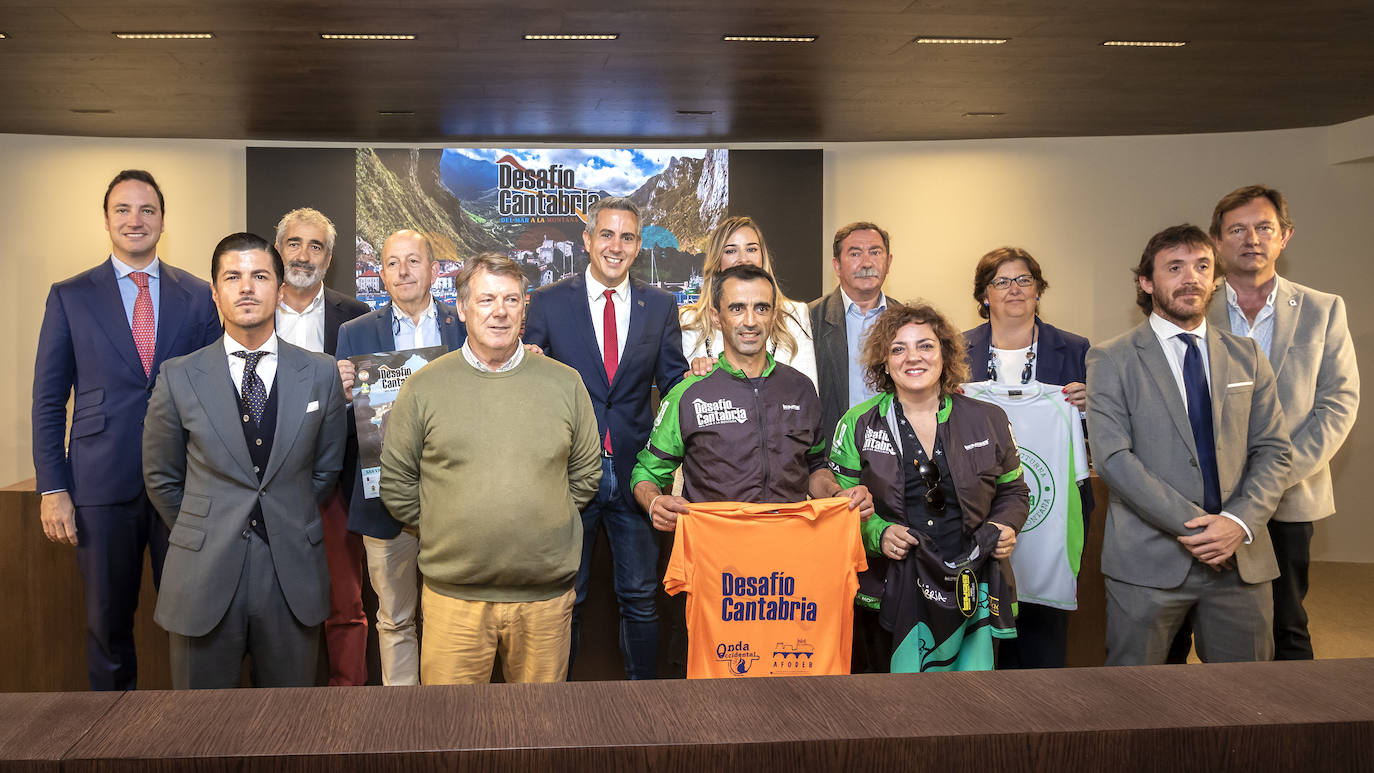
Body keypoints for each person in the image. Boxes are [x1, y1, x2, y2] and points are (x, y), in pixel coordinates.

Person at [32, 169, 221, 690]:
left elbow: (213, 393)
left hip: (184, 486)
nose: (135, 220)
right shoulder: (70, 296)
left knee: (193, 621)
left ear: (163, 221)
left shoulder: (199, 295)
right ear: (108, 219)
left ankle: (195, 734)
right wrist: (53, 488)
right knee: (106, 626)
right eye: (123, 209)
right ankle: (111, 740)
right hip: (99, 487)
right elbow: (48, 400)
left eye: (147, 210)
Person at [380, 253, 602, 684]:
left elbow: (585, 474)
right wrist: (447, 527)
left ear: (524, 309)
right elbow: (398, 481)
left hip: (544, 600)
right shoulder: (424, 386)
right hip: (454, 601)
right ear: (462, 308)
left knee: (540, 735)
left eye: (511, 300)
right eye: (486, 300)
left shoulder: (564, 382)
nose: (499, 311)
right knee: (451, 737)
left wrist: (541, 516)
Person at [143, 232, 347, 688]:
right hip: (204, 573)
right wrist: (206, 527)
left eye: (259, 276)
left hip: (290, 570)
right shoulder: (179, 377)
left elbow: (325, 469)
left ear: (279, 288)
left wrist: (283, 515)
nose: (247, 288)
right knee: (199, 734)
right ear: (215, 292)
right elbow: (161, 477)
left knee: (291, 730)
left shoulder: (320, 374)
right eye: (233, 277)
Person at [1086, 224, 1291, 665]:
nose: (1190, 278)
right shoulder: (1111, 358)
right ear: (1146, 281)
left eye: (1202, 266)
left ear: (1215, 278)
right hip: (1148, 564)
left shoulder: (1248, 356)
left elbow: (1274, 450)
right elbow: (1114, 458)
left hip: (1242, 559)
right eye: (1174, 268)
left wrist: (1236, 523)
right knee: (1135, 703)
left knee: (1248, 705)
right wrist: (1201, 529)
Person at [524, 196, 689, 680]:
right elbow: (532, 378)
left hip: (638, 474)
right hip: (569, 475)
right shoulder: (551, 302)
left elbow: (674, 382)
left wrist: (703, 377)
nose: (616, 246)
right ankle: (560, 706)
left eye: (628, 237)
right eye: (607, 235)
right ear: (588, 241)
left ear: (638, 246)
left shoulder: (660, 306)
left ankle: (646, 702)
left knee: (640, 597)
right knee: (566, 599)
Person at [829, 301, 1027, 672]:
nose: (912, 358)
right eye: (898, 349)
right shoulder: (857, 423)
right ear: (884, 362)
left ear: (945, 354)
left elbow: (1014, 492)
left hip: (974, 588)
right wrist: (879, 533)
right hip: (887, 591)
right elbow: (838, 508)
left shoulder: (989, 419)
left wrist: (1006, 526)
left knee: (970, 708)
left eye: (925, 345)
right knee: (892, 710)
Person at [1205, 185, 1358, 660]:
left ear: (1284, 237)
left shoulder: (1323, 309)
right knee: (1192, 622)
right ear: (1216, 240)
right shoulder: (1192, 306)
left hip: (1290, 496)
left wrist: (1271, 479)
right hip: (1208, 498)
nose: (1252, 238)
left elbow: (1338, 404)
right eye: (1237, 229)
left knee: (1288, 623)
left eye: (1264, 227)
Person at [631, 264, 872, 528]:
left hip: (788, 552)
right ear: (715, 316)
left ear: (773, 314)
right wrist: (654, 502)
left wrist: (838, 495)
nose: (750, 321)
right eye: (737, 308)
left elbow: (814, 468)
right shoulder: (689, 393)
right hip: (715, 555)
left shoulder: (800, 388)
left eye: (761, 308)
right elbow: (647, 472)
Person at [335, 229, 467, 685]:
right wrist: (344, 392)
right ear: (383, 274)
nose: (403, 271)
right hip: (383, 499)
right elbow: (344, 420)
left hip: (454, 501)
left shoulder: (464, 326)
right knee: (393, 619)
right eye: (393, 263)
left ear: (433, 270)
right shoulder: (354, 333)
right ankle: (404, 721)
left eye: (414, 261)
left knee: (451, 622)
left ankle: (447, 716)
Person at [963, 246, 1093, 669]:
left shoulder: (1075, 349)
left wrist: (1093, 404)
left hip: (1052, 503)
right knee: (976, 609)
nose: (1014, 289)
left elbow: (1104, 429)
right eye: (1001, 281)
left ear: (1039, 290)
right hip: (981, 501)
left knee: (1043, 616)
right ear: (984, 295)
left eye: (1024, 280)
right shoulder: (958, 350)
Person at [272, 207, 371, 685]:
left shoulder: (355, 317)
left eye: (316, 246)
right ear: (279, 250)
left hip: (333, 475)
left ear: (329, 258)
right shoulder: (247, 308)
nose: (304, 255)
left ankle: (347, 706)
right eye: (295, 243)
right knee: (266, 599)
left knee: (344, 600)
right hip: (263, 480)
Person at [680, 216, 817, 388]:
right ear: (716, 262)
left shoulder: (794, 313)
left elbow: (807, 394)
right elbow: (687, 400)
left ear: (762, 257)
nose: (743, 259)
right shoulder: (690, 320)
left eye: (751, 249)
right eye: (731, 251)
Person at [810, 221, 894, 452]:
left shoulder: (908, 321)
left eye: (875, 252)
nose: (867, 262)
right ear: (836, 266)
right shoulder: (808, 320)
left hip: (897, 456)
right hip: (831, 456)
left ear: (889, 262)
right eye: (855, 253)